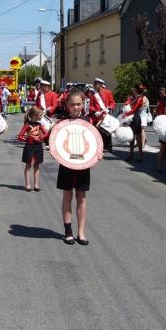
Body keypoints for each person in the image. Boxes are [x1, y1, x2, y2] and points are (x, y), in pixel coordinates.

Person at [56, 89, 103, 246]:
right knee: (67, 195)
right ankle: (68, 231)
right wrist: (54, 149)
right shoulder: (61, 123)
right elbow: (54, 142)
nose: (76, 107)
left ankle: (81, 232)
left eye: (78, 104)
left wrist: (99, 152)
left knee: (81, 197)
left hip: (83, 165)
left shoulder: (88, 122)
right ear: (67, 106)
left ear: (82, 105)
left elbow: (95, 142)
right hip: (67, 165)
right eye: (73, 104)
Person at [18, 106, 48, 192]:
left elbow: (46, 133)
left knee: (37, 165)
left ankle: (36, 185)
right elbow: (20, 137)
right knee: (28, 165)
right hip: (29, 146)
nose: (41, 116)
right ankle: (27, 185)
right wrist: (28, 139)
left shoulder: (39, 125)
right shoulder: (27, 125)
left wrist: (40, 138)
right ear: (34, 115)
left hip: (38, 146)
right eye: (40, 115)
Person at [88, 78, 116, 153]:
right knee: (99, 132)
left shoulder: (108, 92)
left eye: (96, 84)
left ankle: (108, 146)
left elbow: (112, 103)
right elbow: (91, 106)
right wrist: (95, 111)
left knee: (107, 131)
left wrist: (109, 108)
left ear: (100, 85)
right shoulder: (93, 95)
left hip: (106, 115)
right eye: (94, 84)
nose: (94, 85)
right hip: (98, 116)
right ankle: (101, 146)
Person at [124, 85, 148, 161]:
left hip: (136, 118)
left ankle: (140, 156)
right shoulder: (131, 97)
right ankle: (131, 155)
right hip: (130, 118)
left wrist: (125, 114)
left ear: (136, 90)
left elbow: (134, 109)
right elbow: (126, 104)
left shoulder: (140, 98)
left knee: (138, 137)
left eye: (134, 88)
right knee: (131, 137)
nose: (132, 89)